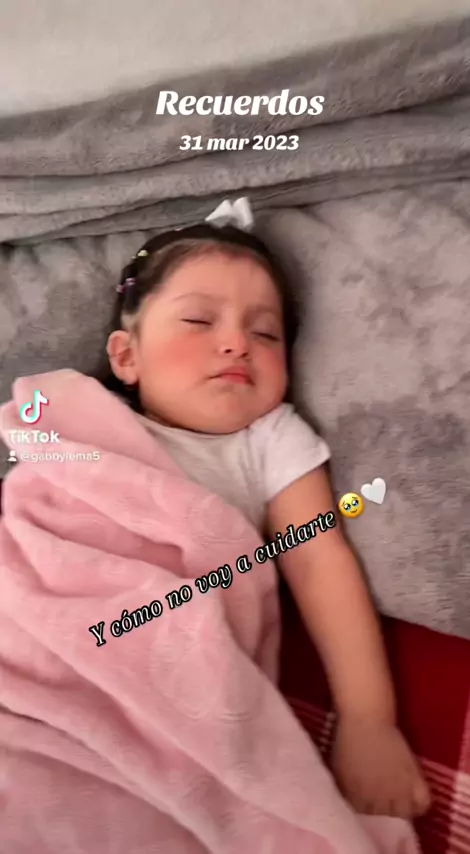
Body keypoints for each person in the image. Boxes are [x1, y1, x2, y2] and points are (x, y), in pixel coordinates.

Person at [100, 218, 431, 820]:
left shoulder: (268, 439)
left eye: (266, 332)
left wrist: (368, 721)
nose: (237, 343)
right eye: (198, 320)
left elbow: (319, 560)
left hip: (181, 664)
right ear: (127, 356)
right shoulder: (85, 417)